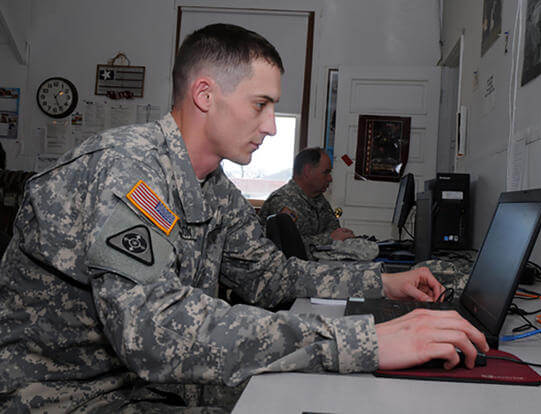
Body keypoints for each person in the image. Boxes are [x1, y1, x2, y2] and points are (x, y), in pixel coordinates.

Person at [0, 23, 487, 412]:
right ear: (206, 95)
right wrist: (363, 339)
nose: (272, 125)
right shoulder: (127, 168)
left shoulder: (212, 186)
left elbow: (274, 277)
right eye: (261, 104)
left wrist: (386, 283)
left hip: (156, 384)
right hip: (72, 397)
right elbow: (152, 333)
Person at [260, 147, 375, 259]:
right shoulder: (282, 201)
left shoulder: (318, 199)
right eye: (326, 172)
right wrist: (329, 239)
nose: (330, 178)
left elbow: (334, 230)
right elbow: (288, 249)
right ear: (307, 171)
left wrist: (343, 237)